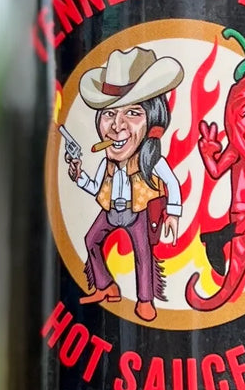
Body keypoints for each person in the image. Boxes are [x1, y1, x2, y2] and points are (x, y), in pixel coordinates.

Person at [66, 46, 184, 322]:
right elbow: (97, 187)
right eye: (108, 114)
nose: (117, 126)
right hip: (111, 211)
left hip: (137, 212)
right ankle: (106, 286)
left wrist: (174, 213)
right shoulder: (107, 161)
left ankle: (145, 302)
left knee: (143, 255)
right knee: (90, 240)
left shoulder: (151, 159)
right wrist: (77, 175)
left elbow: (172, 183)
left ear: (153, 121)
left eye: (133, 113)